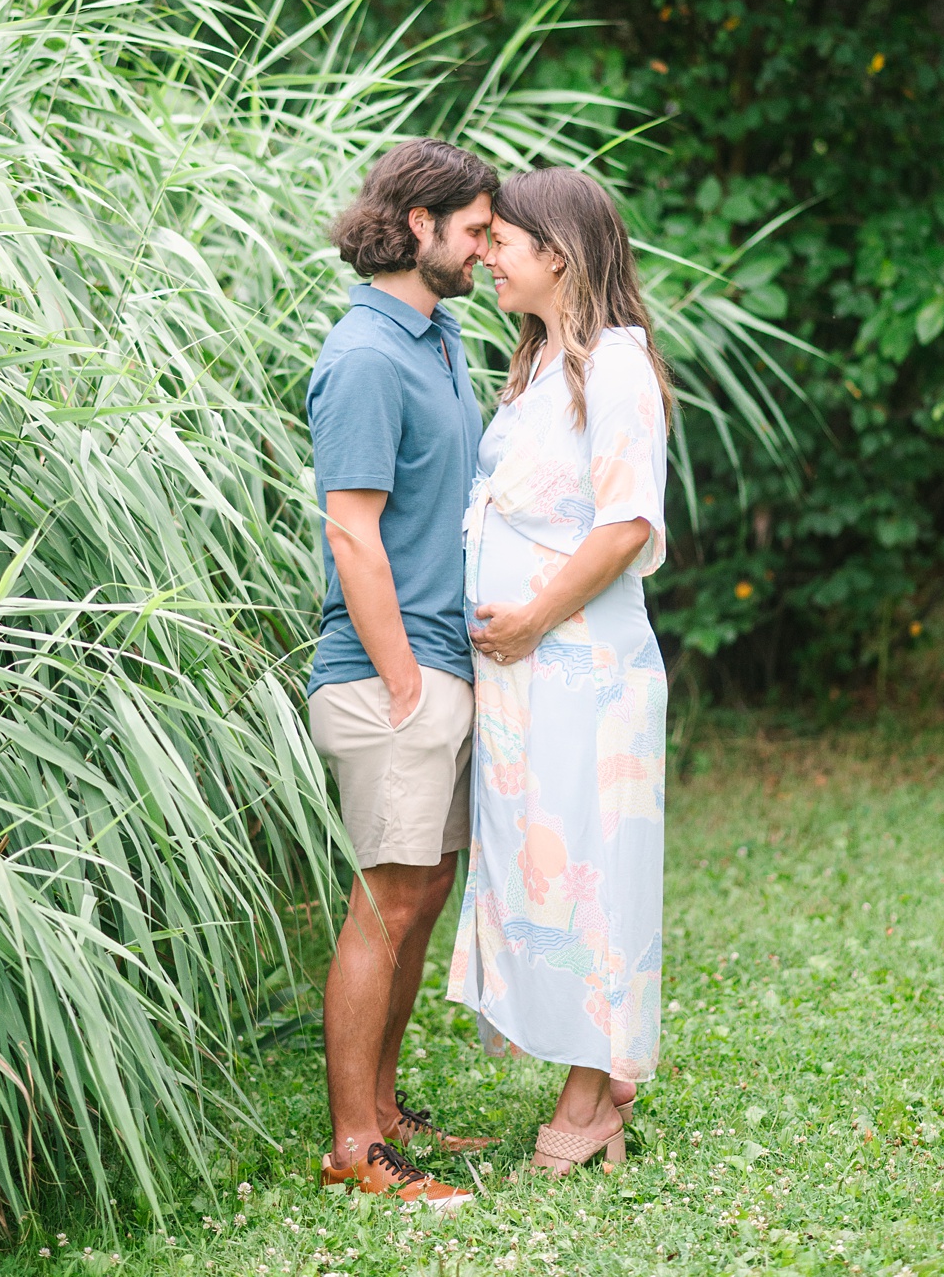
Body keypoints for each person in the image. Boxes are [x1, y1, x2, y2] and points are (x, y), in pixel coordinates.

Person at [445, 168, 672, 1177]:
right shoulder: (537, 361)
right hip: (530, 680)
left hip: (586, 672)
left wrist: (533, 614)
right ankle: (599, 1069)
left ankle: (591, 1096)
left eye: (504, 239)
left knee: (590, 871)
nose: (486, 252)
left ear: (559, 253)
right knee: (542, 868)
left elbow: (626, 523)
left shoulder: (616, 365)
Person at [304, 138, 502, 1208]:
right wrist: (406, 683)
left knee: (422, 893)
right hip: (390, 677)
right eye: (472, 228)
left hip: (439, 665)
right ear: (417, 225)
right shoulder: (367, 357)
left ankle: (384, 1113)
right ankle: (353, 1147)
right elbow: (352, 535)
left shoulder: (439, 336)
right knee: (385, 901)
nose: (484, 247)